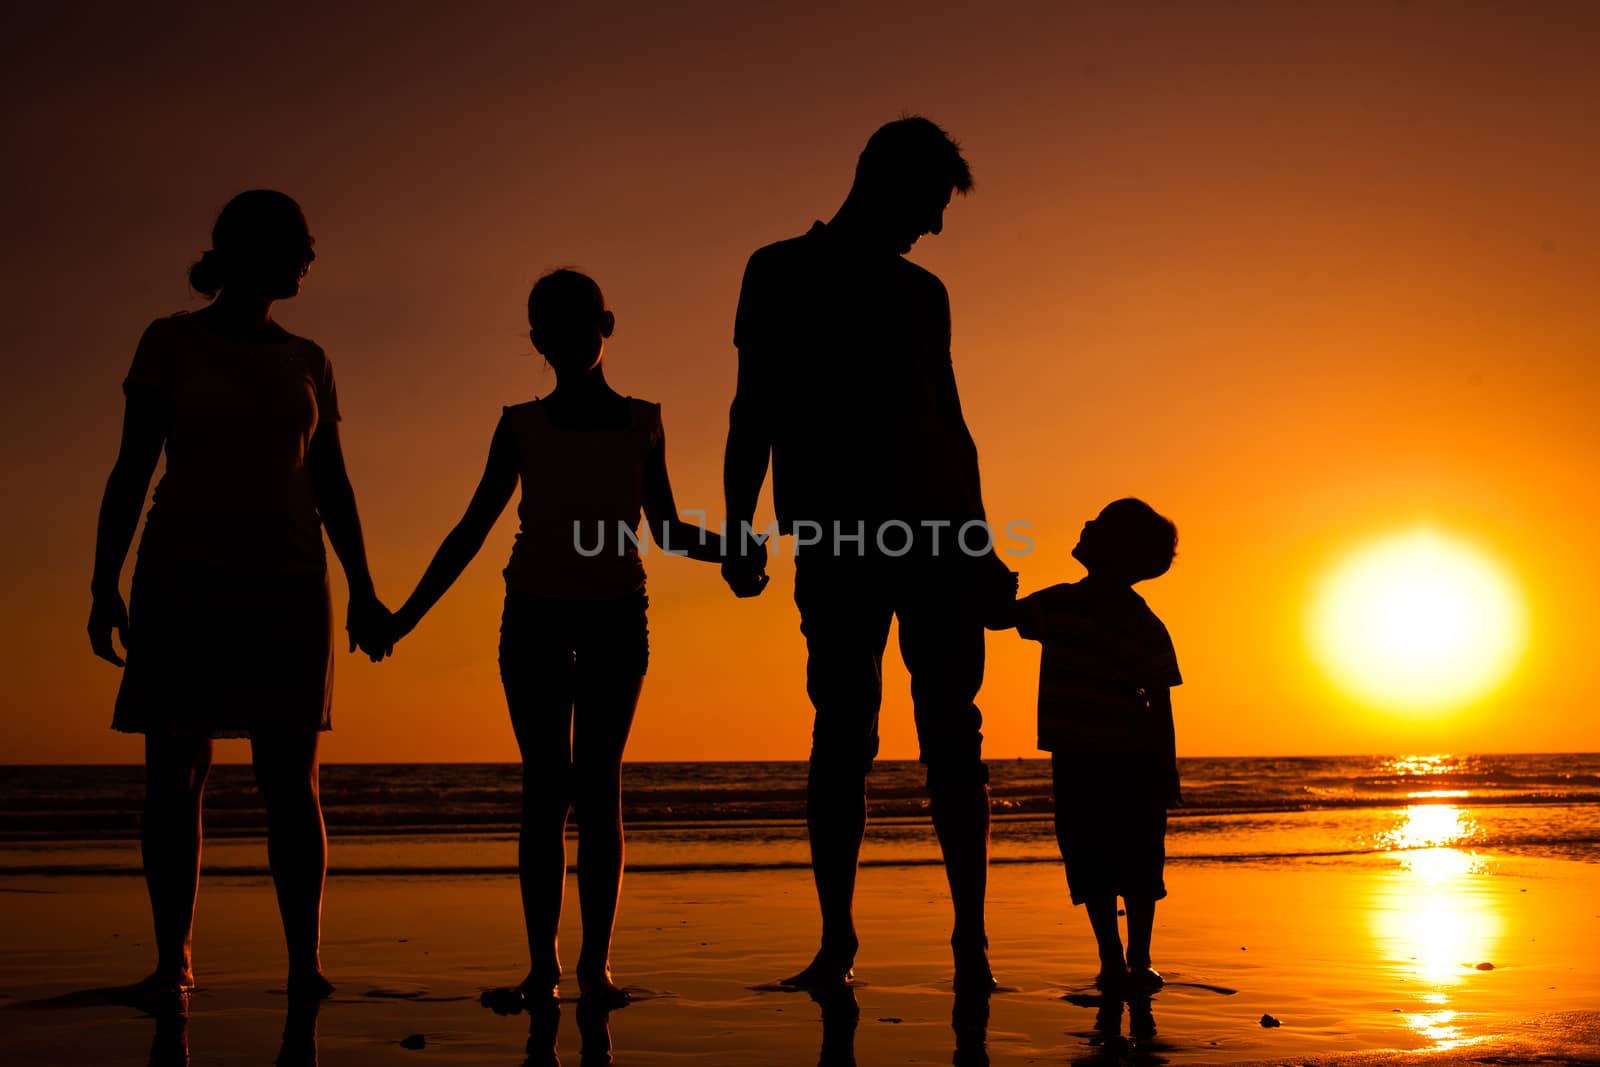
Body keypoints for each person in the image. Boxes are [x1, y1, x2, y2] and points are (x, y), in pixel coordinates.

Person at [385, 269, 734, 1008]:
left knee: (598, 786)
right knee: (546, 789)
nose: (564, 340)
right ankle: (541, 967)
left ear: (605, 325)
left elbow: (666, 528)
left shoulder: (645, 420)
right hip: (535, 613)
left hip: (616, 612)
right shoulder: (520, 425)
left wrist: (732, 551)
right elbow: (471, 529)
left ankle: (593, 969)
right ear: (538, 340)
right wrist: (404, 616)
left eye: (578, 326)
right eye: (548, 330)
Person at [723, 116, 1014, 990]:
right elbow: (753, 410)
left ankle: (972, 943)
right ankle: (837, 941)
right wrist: (742, 527)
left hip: (936, 538)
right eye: (928, 204)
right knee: (844, 736)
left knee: (951, 736)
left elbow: (950, 427)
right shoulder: (776, 271)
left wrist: (981, 543)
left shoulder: (927, 295)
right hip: (838, 537)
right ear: (881, 181)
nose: (933, 227)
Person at [88, 189, 392, 1004]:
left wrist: (364, 587)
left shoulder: (309, 357)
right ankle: (172, 960)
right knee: (175, 771)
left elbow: (331, 482)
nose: (311, 256)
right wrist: (101, 581)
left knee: (292, 780)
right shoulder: (169, 342)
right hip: (184, 575)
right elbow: (131, 469)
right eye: (300, 242)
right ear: (252, 251)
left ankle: (306, 964)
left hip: (290, 582)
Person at [1005, 498, 1182, 993]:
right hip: (1088, 757)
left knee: (1124, 858)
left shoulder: (1117, 616)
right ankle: (1119, 958)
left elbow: (1160, 701)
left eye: (1099, 523)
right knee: (1100, 856)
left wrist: (1165, 768)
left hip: (1121, 759)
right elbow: (1001, 616)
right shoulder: (1061, 604)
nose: (1084, 523)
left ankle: (1132, 957)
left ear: (1114, 548)